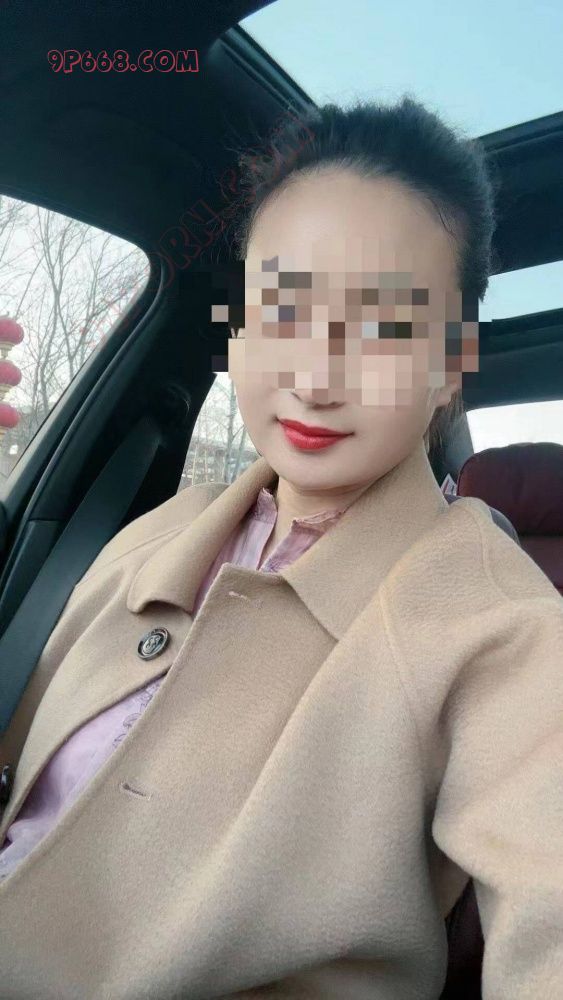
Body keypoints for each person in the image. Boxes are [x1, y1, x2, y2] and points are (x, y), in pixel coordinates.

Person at [1, 96, 562, 1000]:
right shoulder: (160, 530)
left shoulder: (500, 622)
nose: (312, 376)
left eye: (384, 325)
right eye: (281, 309)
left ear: (450, 364)